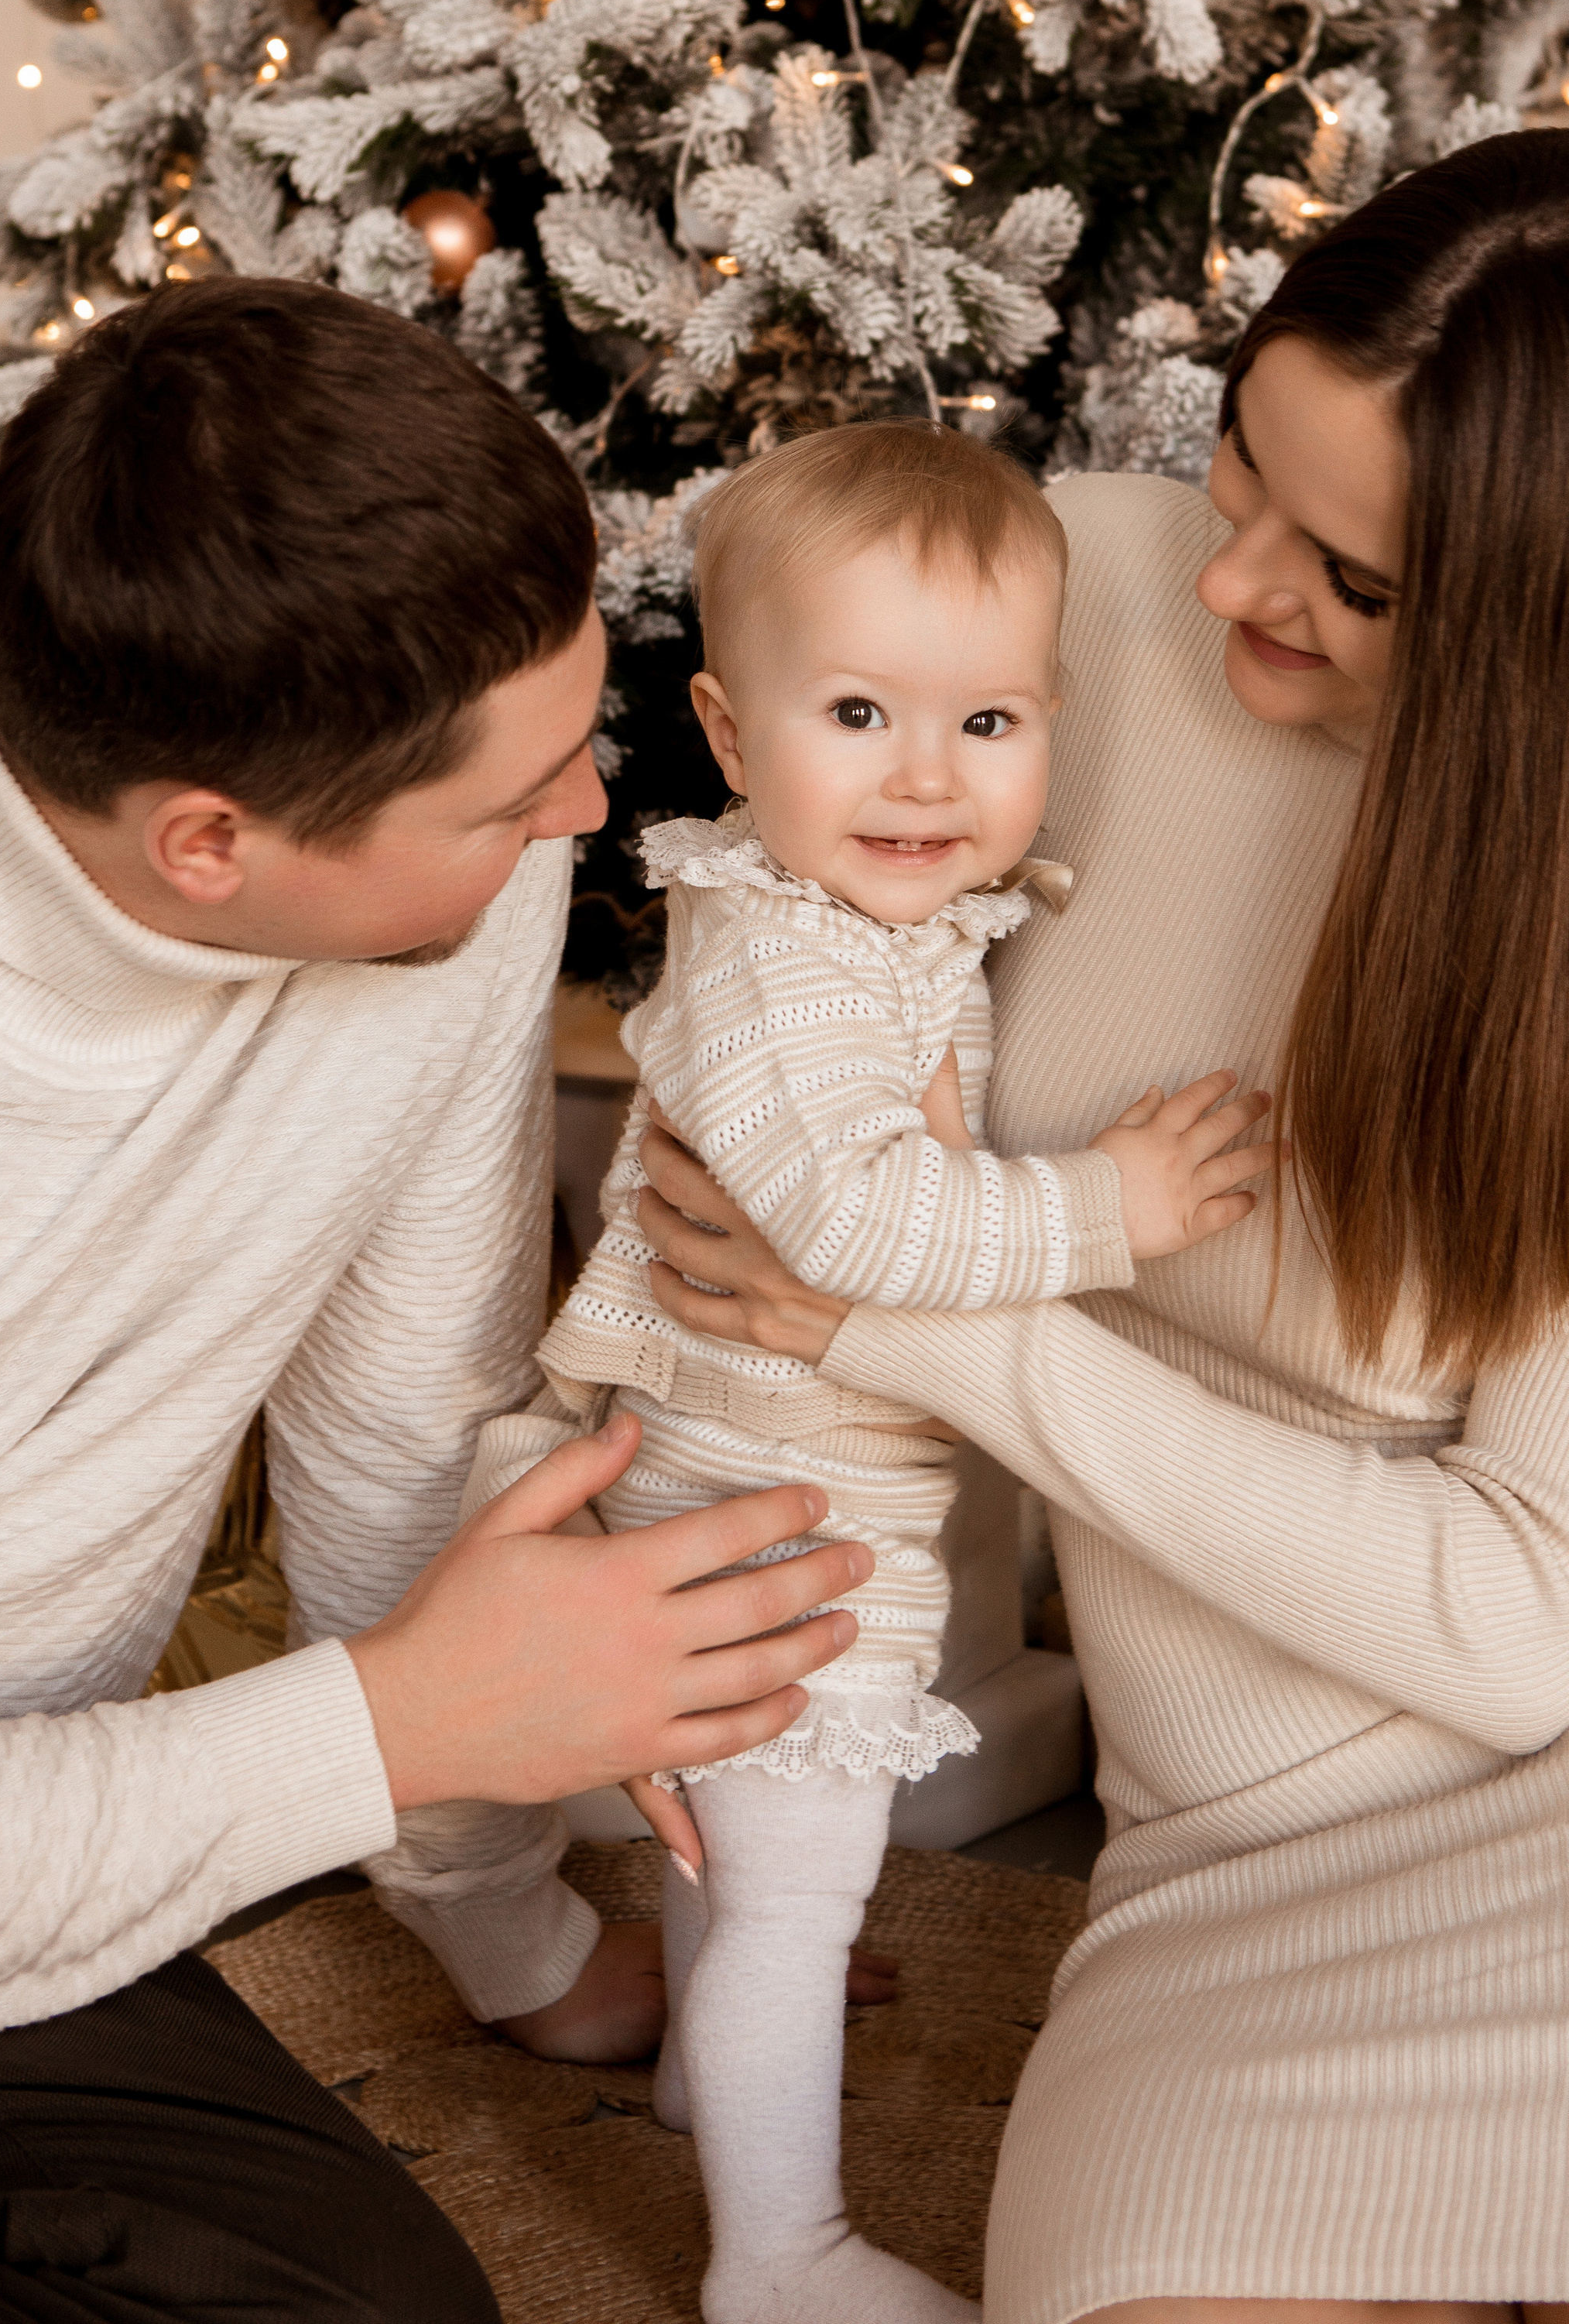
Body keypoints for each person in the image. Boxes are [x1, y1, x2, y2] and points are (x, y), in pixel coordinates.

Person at [603, 135, 1569, 2324]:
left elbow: (1521, 1620)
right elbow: (771, 1067)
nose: (1231, 588)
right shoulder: (1062, 602)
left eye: (1356, 579)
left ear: (1566, 638)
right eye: (1242, 473)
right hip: (1226, 1840)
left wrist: (918, 1336)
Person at [0, 280, 884, 2324]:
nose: (586, 820)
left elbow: (406, 1435)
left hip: (4, 1893)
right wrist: (385, 1729)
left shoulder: (457, 882)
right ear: (210, 844)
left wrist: (508, 1935)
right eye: (508, 799)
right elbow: (398, 1690)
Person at [520, 423, 1261, 2324]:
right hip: (777, 1505)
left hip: (754, 1479)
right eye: (857, 712)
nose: (928, 776)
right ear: (730, 727)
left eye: (988, 725)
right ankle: (780, 2260)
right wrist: (1113, 1208)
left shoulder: (849, 917)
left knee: (738, 1854)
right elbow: (847, 1231)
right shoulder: (793, 966)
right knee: (792, 1893)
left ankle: (706, 2079)